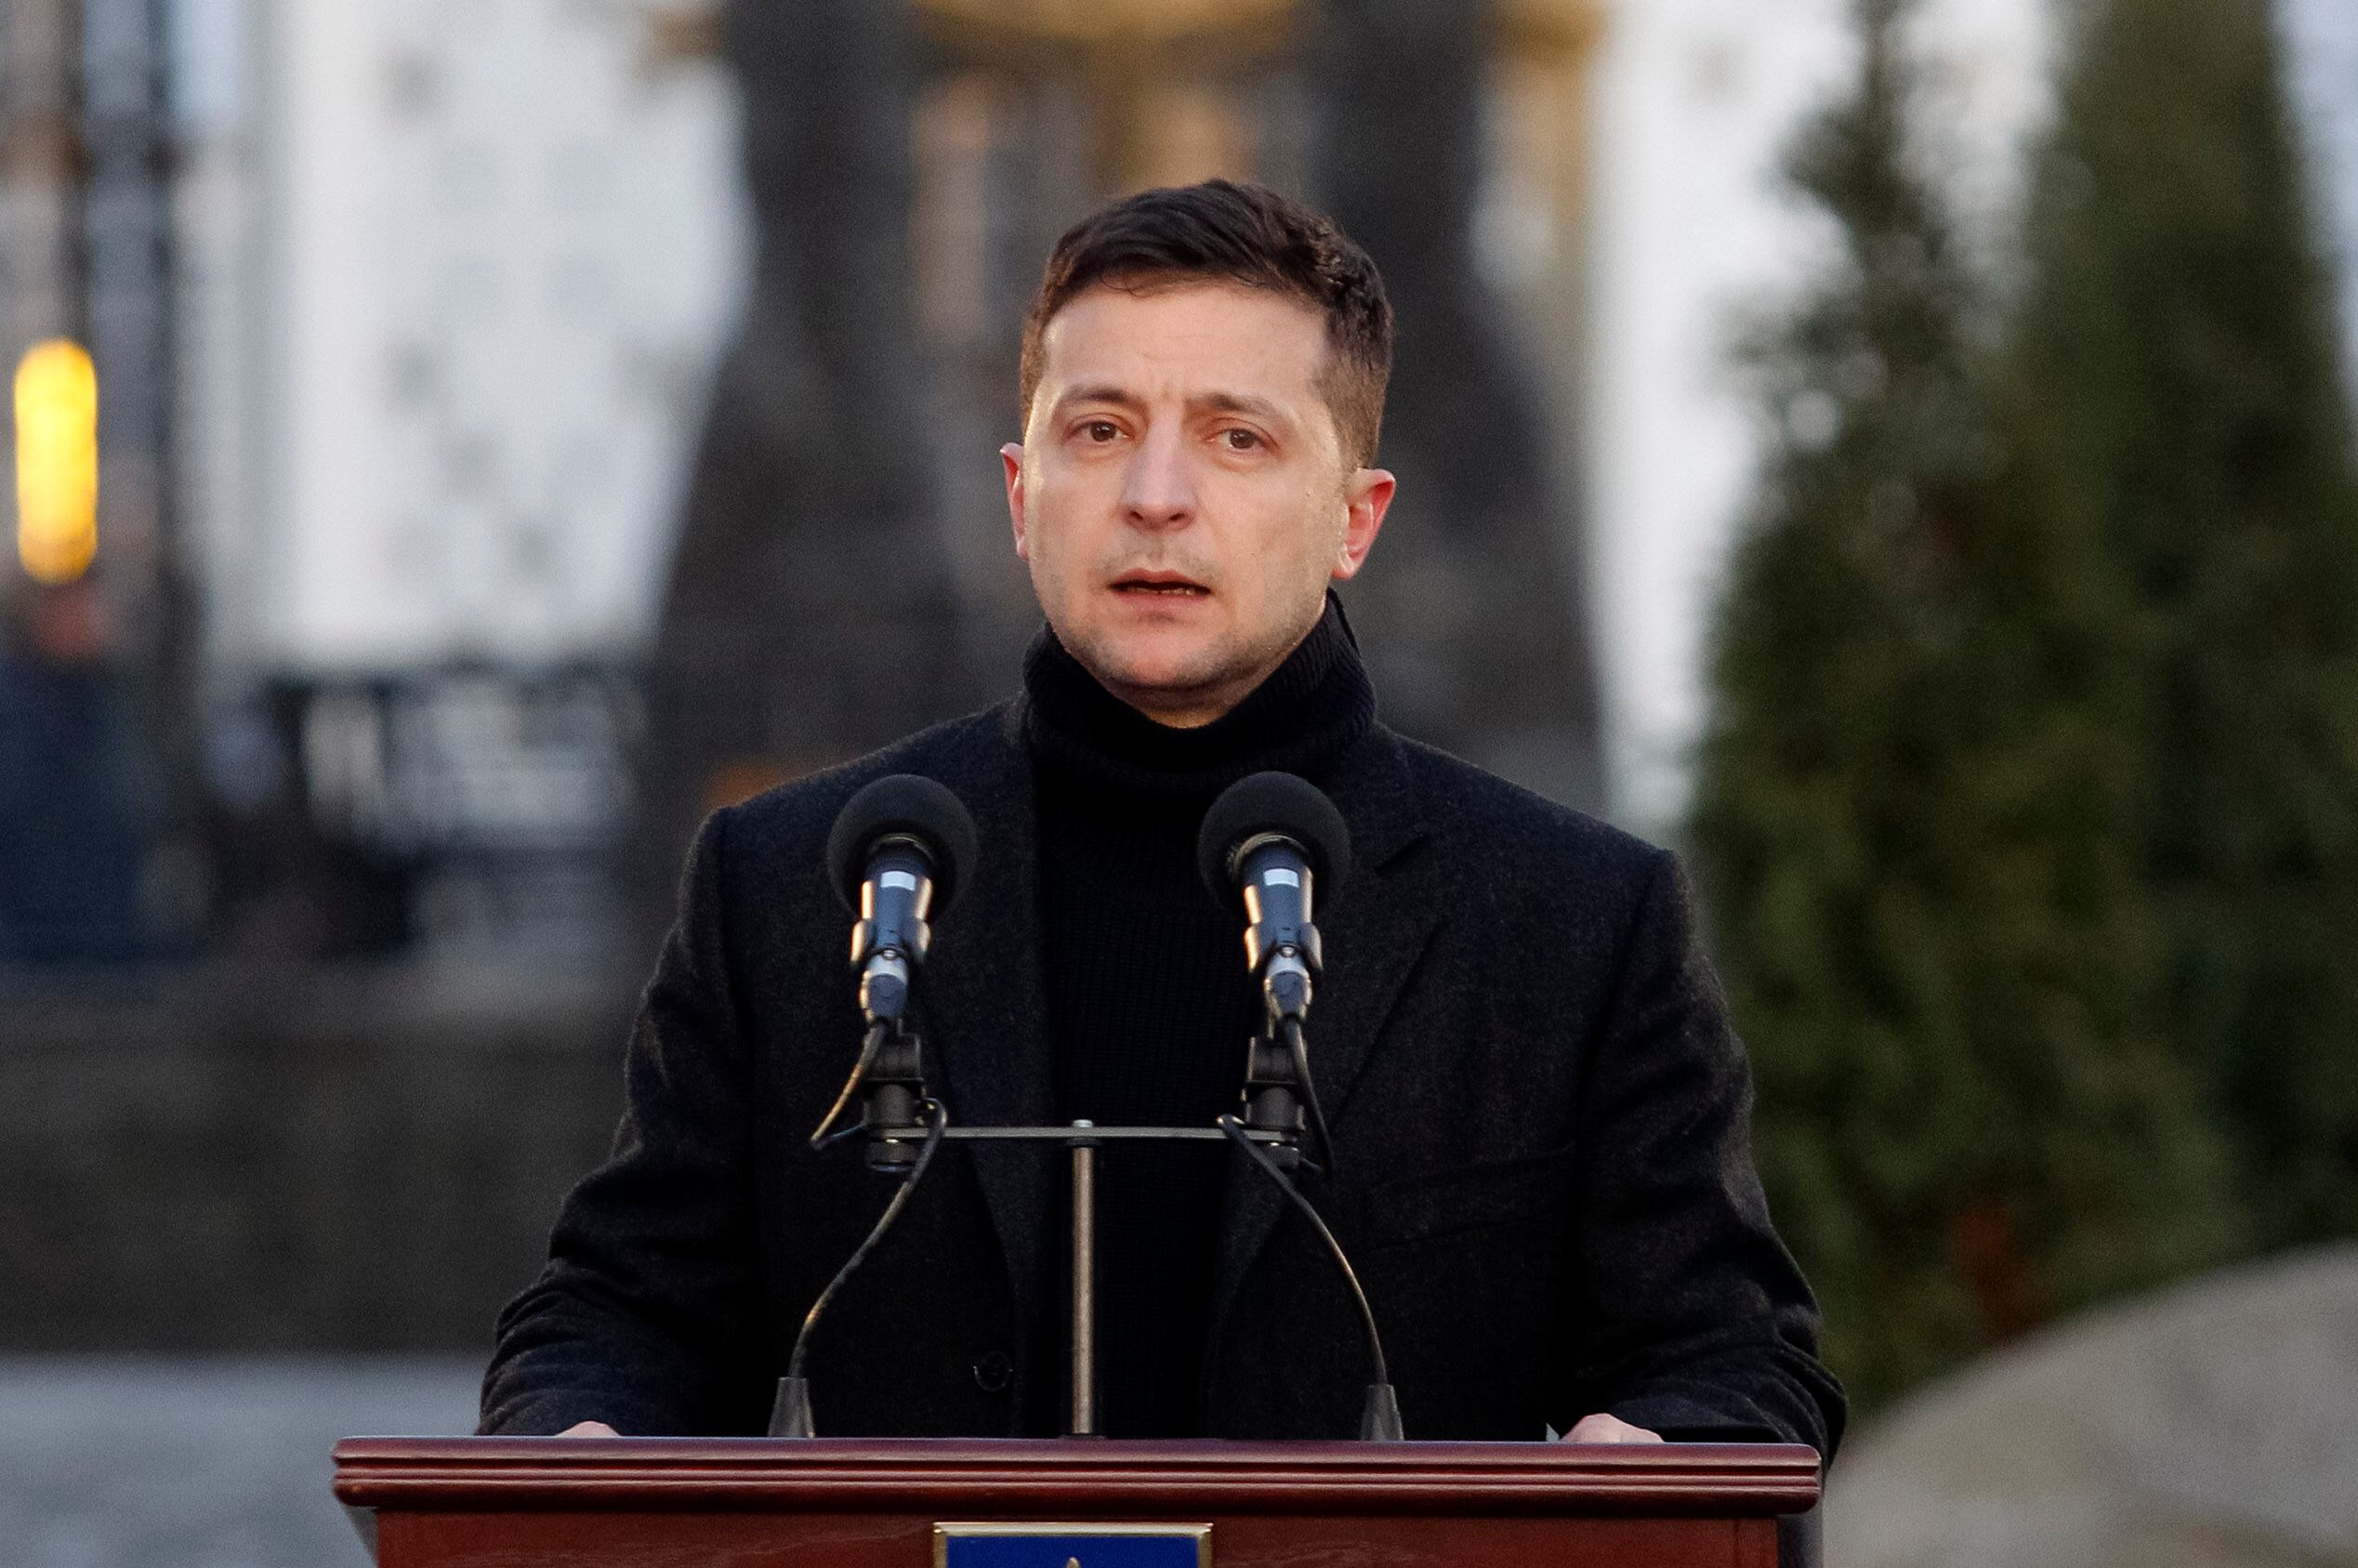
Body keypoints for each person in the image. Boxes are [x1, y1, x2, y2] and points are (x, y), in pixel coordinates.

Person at [481, 180, 1844, 1456]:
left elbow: (1737, 1367)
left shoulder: (1572, 923)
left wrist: (1661, 1456)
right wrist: (575, 1442)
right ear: (1022, 499)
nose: (1154, 497)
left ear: (1352, 518)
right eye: (1100, 430)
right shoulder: (792, 881)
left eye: (1236, 438)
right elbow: (616, 1319)